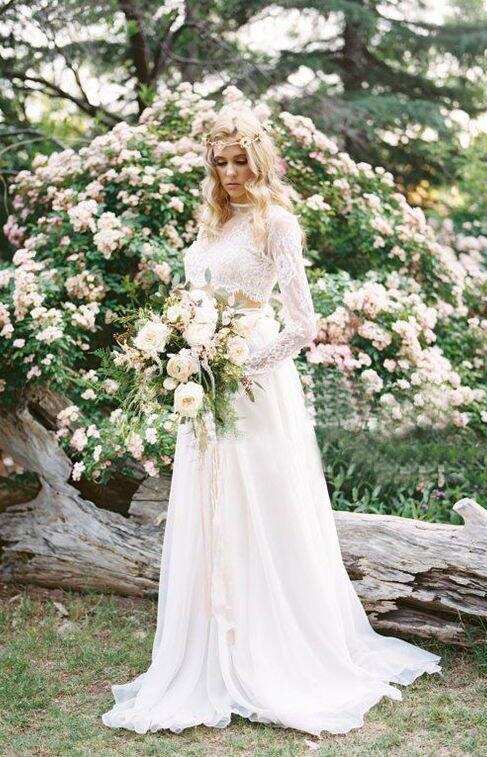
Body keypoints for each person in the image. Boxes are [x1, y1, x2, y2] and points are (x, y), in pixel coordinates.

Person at [101, 104, 441, 738]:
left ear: (258, 162)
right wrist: (184, 348)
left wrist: (239, 363)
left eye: (239, 161)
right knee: (211, 503)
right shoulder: (211, 224)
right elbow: (197, 299)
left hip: (253, 378)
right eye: (220, 162)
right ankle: (214, 642)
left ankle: (271, 644)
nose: (229, 173)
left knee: (262, 501)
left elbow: (303, 325)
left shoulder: (277, 224)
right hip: (205, 378)